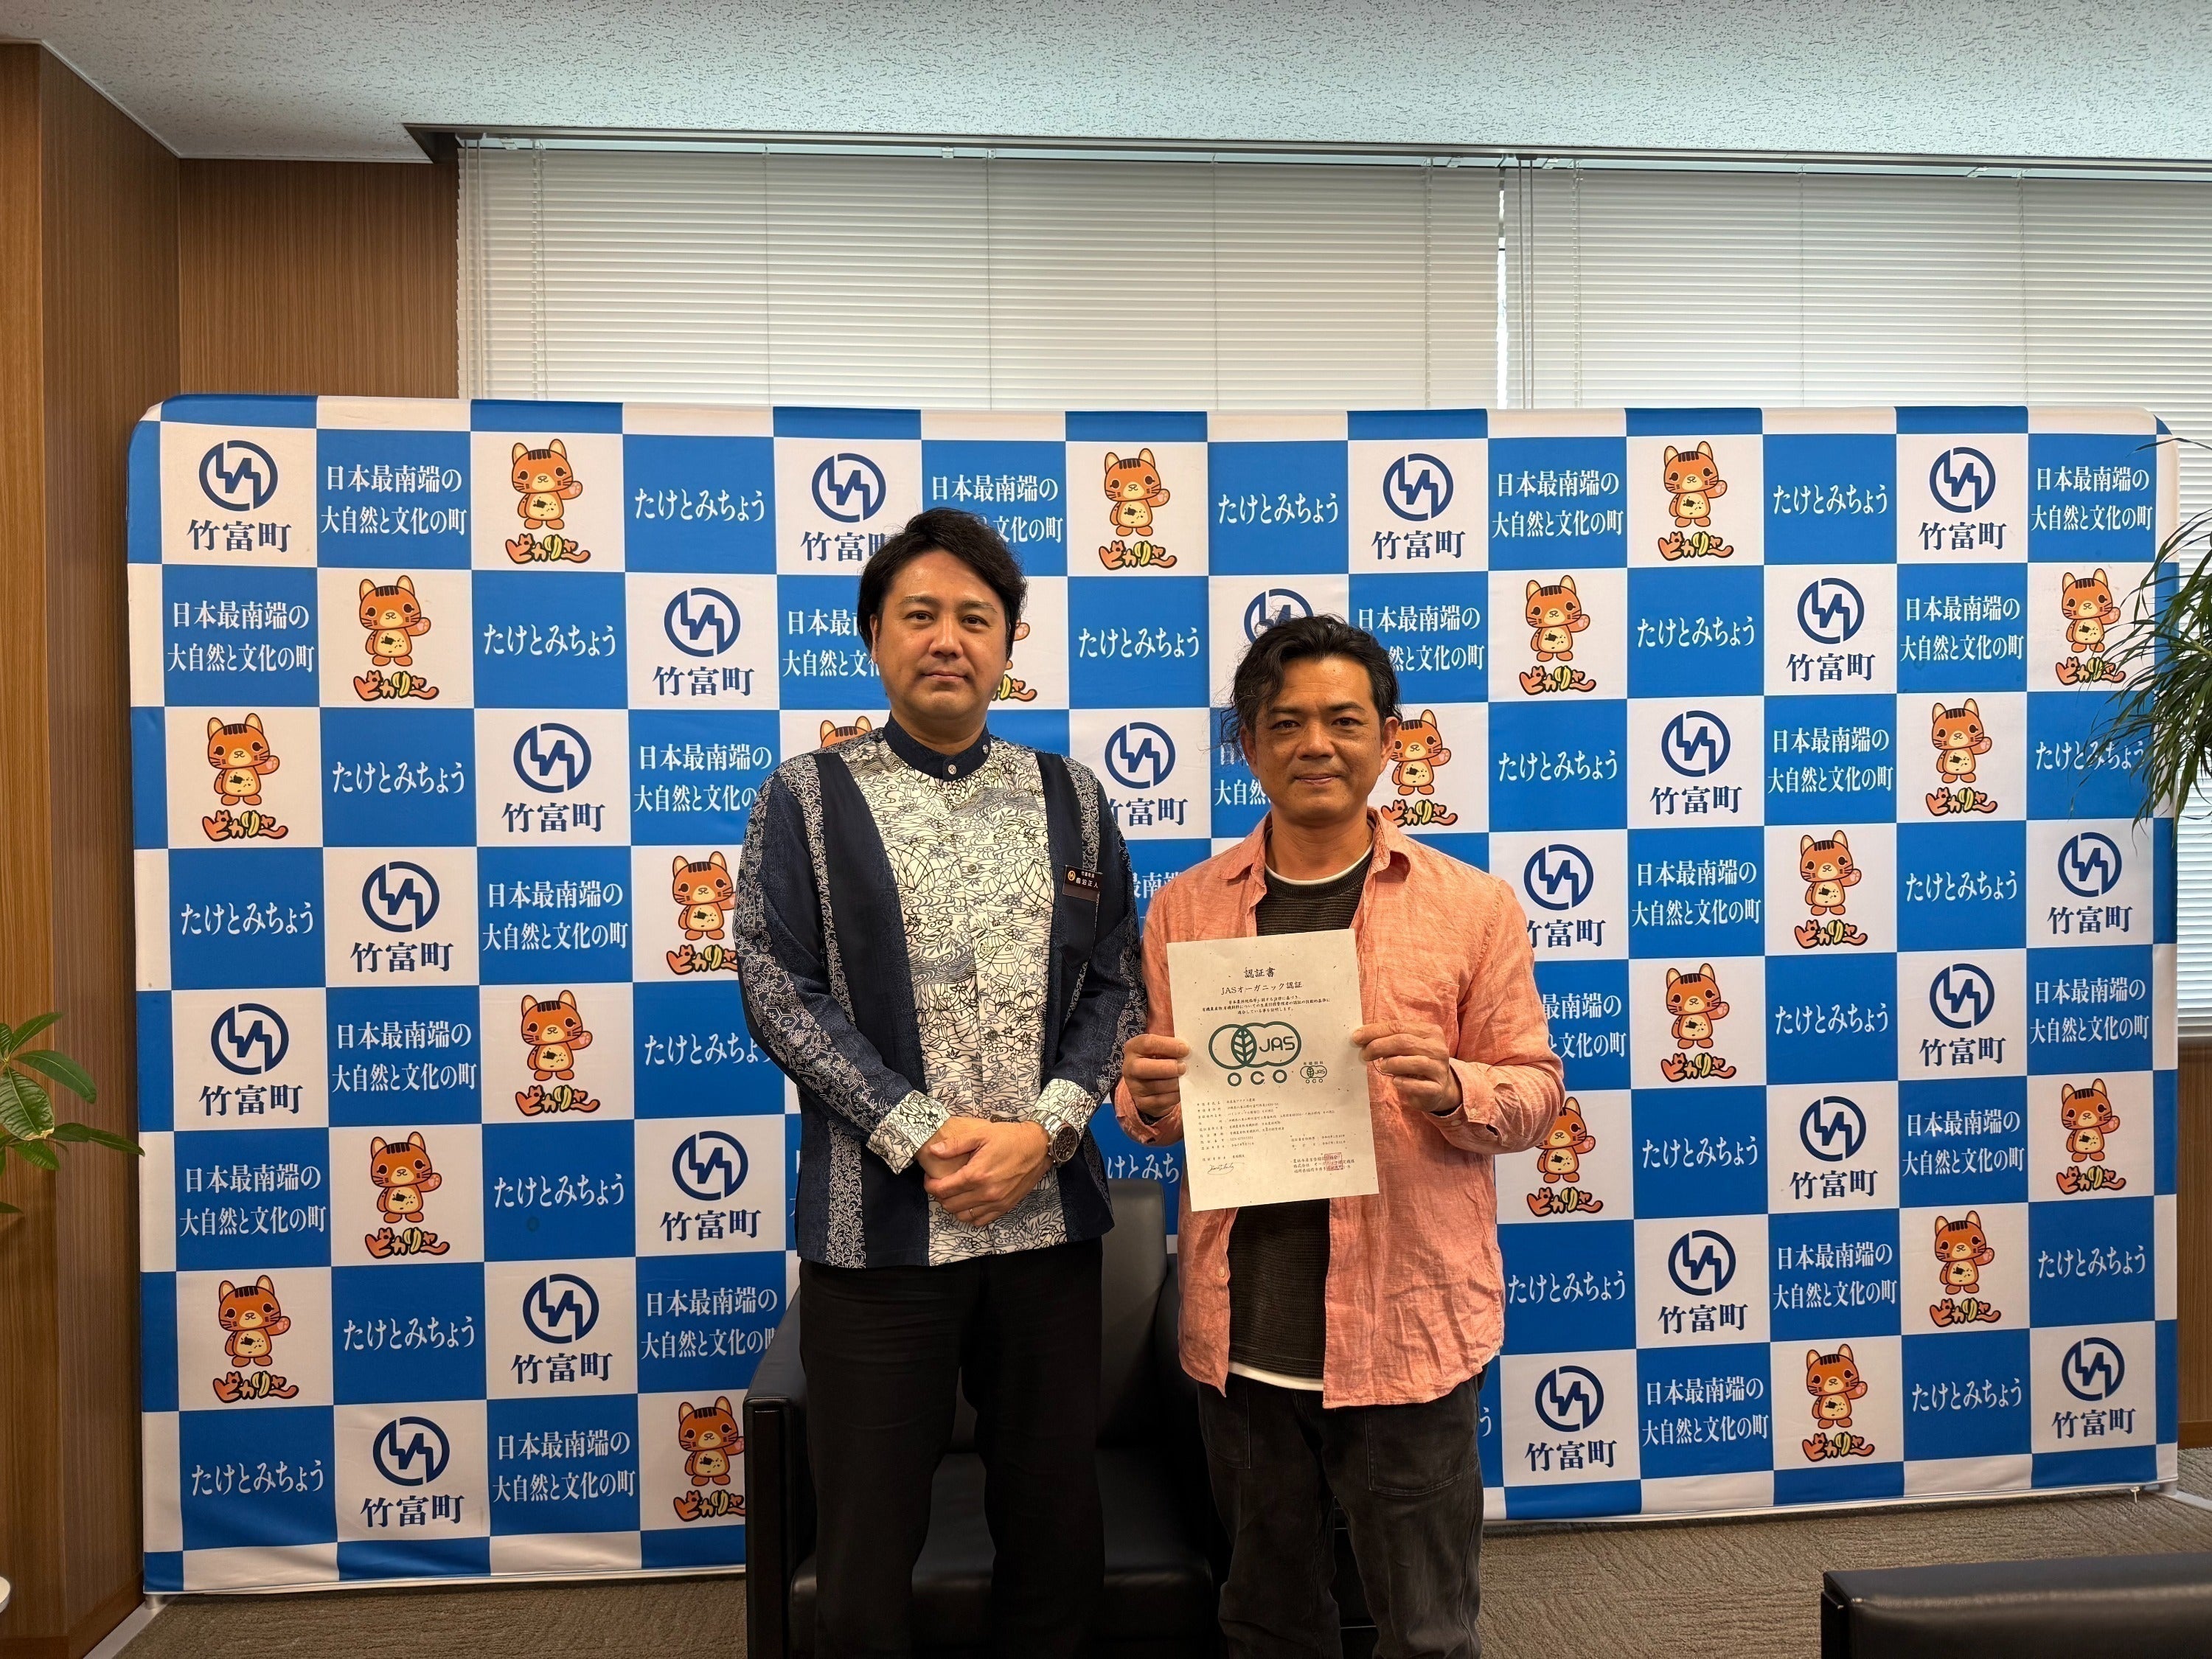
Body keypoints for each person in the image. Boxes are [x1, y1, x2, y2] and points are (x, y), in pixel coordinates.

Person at [733, 507, 1144, 1658]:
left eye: (975, 616)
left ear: (1010, 641)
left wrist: (1047, 1130)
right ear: (875, 635)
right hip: (876, 1235)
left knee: (1054, 1529)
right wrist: (921, 1130)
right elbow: (777, 986)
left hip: (1045, 1226)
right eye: (919, 614)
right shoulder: (806, 796)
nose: (947, 638)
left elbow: (1119, 977)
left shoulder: (1073, 796)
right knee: (865, 1553)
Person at [1116, 614, 1563, 1659]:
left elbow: (1537, 1090)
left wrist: (1451, 1086)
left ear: (1389, 737)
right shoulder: (1185, 909)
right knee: (1269, 1623)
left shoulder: (1473, 906)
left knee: (1427, 1629)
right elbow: (1155, 1114)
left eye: (1343, 719)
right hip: (1246, 1342)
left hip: (1409, 1332)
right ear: (1248, 744)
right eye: (1286, 723)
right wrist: (1150, 1099)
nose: (1315, 743)